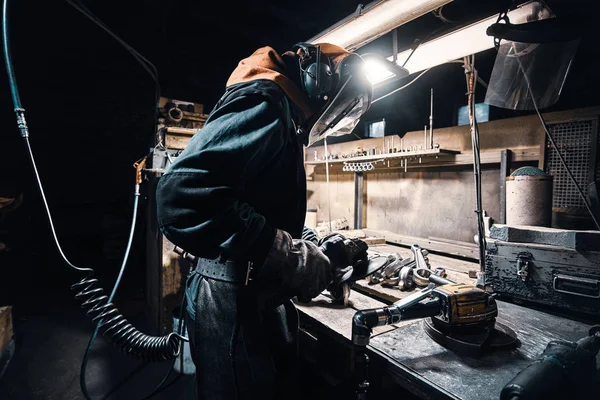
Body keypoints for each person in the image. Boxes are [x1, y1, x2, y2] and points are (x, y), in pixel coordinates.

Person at [155, 42, 373, 399]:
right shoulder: (266, 101)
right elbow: (183, 194)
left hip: (250, 292)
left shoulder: (280, 111)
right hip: (233, 300)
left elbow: (259, 203)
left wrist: (309, 242)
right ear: (317, 81)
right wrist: (289, 255)